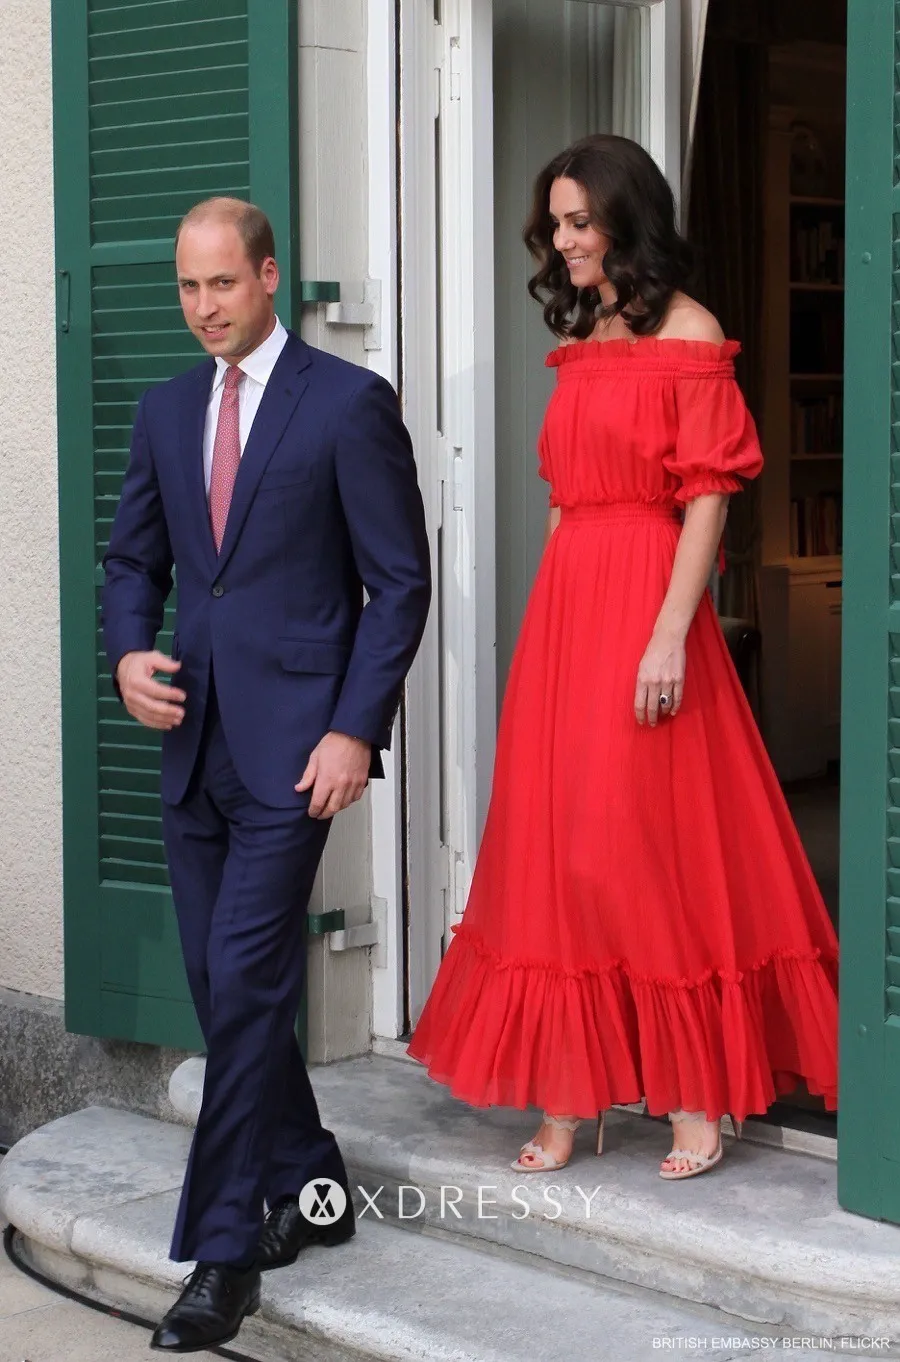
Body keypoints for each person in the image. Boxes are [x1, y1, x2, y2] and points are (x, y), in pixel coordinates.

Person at [408, 134, 838, 1182]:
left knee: (655, 842)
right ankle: (572, 1095)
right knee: (565, 847)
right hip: (571, 606)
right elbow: (566, 502)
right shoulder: (587, 332)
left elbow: (708, 497)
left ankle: (696, 1095)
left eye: (578, 222)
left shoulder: (692, 333)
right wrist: (543, 642)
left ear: (625, 220)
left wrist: (666, 633)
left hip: (650, 601)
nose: (562, 242)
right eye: (554, 225)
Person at [102, 197, 431, 1352]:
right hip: (192, 744)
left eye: (221, 286)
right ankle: (315, 1181)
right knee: (217, 980)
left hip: (297, 755)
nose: (202, 309)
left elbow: (400, 585)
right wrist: (127, 653)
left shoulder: (347, 405)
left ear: (270, 278)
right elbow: (132, 561)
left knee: (246, 984)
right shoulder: (164, 410)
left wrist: (354, 729)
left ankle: (224, 1252)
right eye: (187, 289)